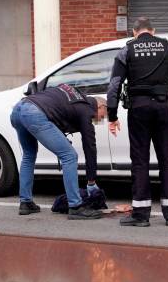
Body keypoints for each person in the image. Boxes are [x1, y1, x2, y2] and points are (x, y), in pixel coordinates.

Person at [106, 17, 168, 227]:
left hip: (139, 109)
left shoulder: (127, 50)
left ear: (135, 33)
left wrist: (112, 116)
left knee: (140, 161)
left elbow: (114, 86)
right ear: (153, 31)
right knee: (166, 161)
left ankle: (141, 215)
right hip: (164, 108)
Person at [10, 83, 107, 220]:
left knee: (29, 155)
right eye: (104, 115)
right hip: (34, 113)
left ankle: (26, 203)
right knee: (69, 156)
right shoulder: (86, 109)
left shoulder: (73, 95)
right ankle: (75, 206)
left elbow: (55, 110)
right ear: (101, 106)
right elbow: (90, 146)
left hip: (18, 110)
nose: (102, 119)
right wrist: (91, 182)